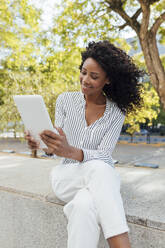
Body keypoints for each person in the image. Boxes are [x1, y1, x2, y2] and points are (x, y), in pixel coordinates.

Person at [25, 40, 143, 248]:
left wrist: (71, 150)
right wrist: (42, 144)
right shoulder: (65, 101)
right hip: (67, 177)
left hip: (100, 178)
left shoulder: (116, 112)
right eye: (83, 72)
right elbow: (56, 147)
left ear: (108, 80)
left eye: (94, 76)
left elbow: (105, 155)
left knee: (84, 205)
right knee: (100, 169)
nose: (85, 80)